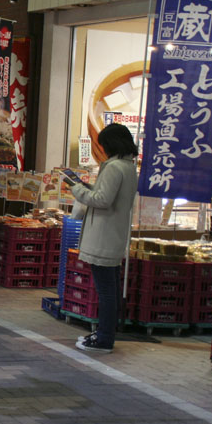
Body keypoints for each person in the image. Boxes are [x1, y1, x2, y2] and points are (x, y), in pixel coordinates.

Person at [70, 123, 138, 354]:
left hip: (102, 237)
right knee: (111, 290)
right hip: (114, 235)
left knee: (106, 291)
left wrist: (78, 190)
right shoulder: (128, 167)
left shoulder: (114, 167)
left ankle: (105, 338)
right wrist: (91, 187)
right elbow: (109, 196)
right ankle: (104, 333)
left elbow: (101, 200)